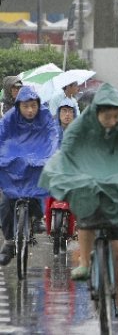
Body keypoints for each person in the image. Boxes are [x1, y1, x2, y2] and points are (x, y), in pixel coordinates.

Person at [39, 83, 118, 322]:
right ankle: (86, 262)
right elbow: (68, 147)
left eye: (115, 116)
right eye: (106, 116)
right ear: (96, 111)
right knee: (86, 218)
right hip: (88, 176)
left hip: (117, 179)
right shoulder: (82, 123)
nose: (111, 121)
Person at [0, 86, 59, 265]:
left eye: (33, 105)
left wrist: (49, 155)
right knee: (5, 202)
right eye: (26, 106)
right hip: (14, 160)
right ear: (19, 106)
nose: (30, 110)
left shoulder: (45, 116)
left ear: (38, 105)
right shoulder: (10, 117)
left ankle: (37, 217)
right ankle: (9, 241)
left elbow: (52, 136)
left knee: (41, 186)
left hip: (37, 160)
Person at [43, 97, 80, 237]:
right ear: (58, 113)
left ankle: (77, 224)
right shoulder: (52, 131)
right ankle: (46, 219)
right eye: (64, 111)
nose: (67, 114)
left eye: (70, 111)